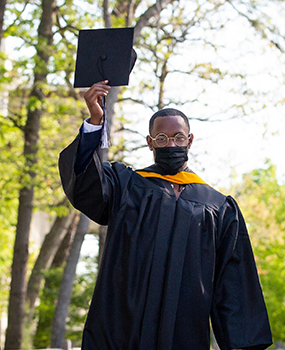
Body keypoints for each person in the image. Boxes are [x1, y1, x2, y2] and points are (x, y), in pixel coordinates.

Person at [58, 80, 273, 350]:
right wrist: (95, 121)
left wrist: (242, 343)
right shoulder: (126, 185)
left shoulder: (218, 207)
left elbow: (234, 281)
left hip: (185, 332)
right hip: (124, 331)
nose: (170, 143)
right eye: (161, 138)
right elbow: (85, 186)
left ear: (190, 140)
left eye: (178, 137)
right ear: (150, 142)